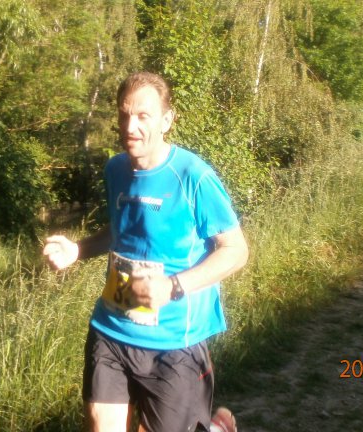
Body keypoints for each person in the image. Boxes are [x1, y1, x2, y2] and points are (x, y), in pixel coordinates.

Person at [43, 71, 248, 432]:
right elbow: (120, 231)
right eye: (124, 115)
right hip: (112, 329)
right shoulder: (115, 169)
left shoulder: (193, 176)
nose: (130, 127)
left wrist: (172, 286)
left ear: (167, 120)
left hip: (175, 344)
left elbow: (235, 250)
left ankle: (214, 428)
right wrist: (77, 249)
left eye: (143, 116)